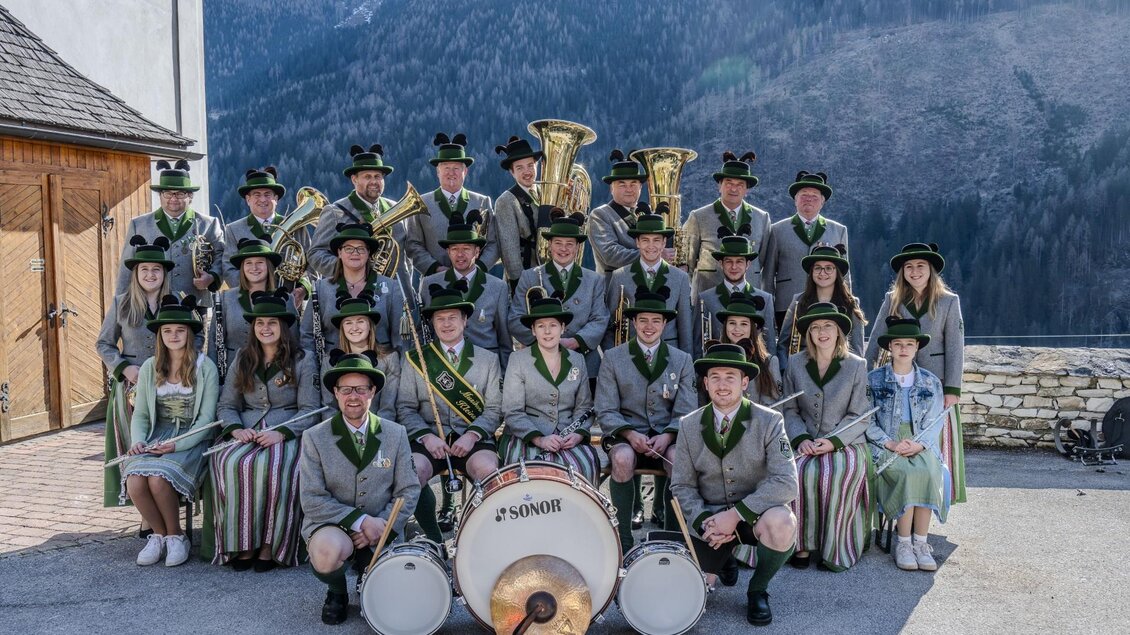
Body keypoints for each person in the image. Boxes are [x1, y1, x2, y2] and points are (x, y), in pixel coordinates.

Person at [670, 342, 798, 626]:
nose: (723, 384)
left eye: (731, 377)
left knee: (783, 524)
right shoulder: (689, 425)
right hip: (711, 522)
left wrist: (736, 515)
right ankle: (723, 558)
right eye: (715, 376)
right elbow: (681, 486)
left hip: (754, 515)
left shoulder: (770, 421)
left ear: (744, 382)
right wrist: (705, 521)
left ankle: (758, 590)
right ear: (705, 383)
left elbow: (787, 482)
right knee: (696, 595)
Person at [300, 352, 421, 625]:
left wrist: (382, 525)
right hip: (333, 526)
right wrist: (360, 521)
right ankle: (337, 591)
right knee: (325, 553)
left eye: (361, 389)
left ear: (373, 392)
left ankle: (369, 576)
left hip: (381, 525)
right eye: (346, 389)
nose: (353, 396)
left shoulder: (396, 433)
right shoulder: (314, 437)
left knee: (394, 606)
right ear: (335, 392)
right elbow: (311, 499)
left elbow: (409, 490)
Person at [209, 291, 320, 570]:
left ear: (283, 327)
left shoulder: (303, 359)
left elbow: (311, 409)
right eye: (260, 324)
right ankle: (243, 543)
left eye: (272, 323)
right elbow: (226, 405)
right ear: (253, 328)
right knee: (231, 462)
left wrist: (281, 433)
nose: (266, 328)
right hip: (247, 430)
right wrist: (235, 431)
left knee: (276, 467)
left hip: (287, 431)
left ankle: (271, 545)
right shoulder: (243, 358)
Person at [120, 296, 220, 567]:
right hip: (157, 434)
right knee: (135, 479)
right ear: (160, 335)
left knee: (158, 479)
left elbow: (207, 419)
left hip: (190, 438)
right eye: (167, 331)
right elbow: (141, 414)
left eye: (179, 330)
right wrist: (139, 441)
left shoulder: (205, 367)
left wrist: (177, 445)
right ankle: (159, 535)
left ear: (189, 333)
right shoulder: (151, 368)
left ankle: (177, 536)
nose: (173, 335)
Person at [398, 285, 502, 543]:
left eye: (452, 317)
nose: (446, 324)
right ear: (432, 323)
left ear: (465, 321)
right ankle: (434, 539)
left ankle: (480, 537)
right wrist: (426, 437)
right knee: (411, 472)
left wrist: (473, 435)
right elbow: (405, 408)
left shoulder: (487, 359)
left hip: (474, 440)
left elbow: (494, 408)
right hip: (431, 440)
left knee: (489, 470)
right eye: (440, 319)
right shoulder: (416, 359)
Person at [865, 242, 966, 504]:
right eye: (909, 267)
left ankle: (935, 499)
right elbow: (877, 336)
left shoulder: (948, 302)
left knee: (936, 442)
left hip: (935, 385)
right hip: (898, 381)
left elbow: (955, 346)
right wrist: (861, 376)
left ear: (931, 270)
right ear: (903, 273)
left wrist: (952, 389)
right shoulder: (893, 299)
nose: (915, 271)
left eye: (921, 266)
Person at [596, 288, 696, 552]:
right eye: (643, 320)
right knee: (622, 460)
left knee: (678, 460)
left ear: (665, 324)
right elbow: (605, 409)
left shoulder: (682, 360)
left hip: (667, 436)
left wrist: (668, 435)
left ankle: (671, 537)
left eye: (655, 320)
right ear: (633, 322)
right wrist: (629, 434)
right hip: (627, 436)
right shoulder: (614, 358)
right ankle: (624, 538)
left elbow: (687, 409)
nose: (649, 326)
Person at [781, 302, 872, 572]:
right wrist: (801, 439)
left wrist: (832, 441)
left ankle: (834, 548)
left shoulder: (856, 366)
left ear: (839, 332)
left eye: (828, 326)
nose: (822, 332)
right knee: (796, 472)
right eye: (816, 327)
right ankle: (800, 544)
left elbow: (860, 415)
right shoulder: (796, 364)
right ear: (808, 333)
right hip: (805, 440)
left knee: (834, 475)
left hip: (845, 442)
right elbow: (789, 408)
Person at [866, 317, 951, 572]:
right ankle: (903, 543)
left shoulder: (930, 382)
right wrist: (890, 443)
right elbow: (866, 420)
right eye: (898, 344)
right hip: (886, 441)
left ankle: (921, 543)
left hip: (920, 440)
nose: (903, 349)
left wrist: (920, 445)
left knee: (928, 471)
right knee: (905, 472)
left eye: (909, 344)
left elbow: (936, 420)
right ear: (889, 347)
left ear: (916, 348)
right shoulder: (874, 380)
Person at [98, 236, 173, 508]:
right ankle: (144, 513)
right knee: (136, 446)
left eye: (156, 269)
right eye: (144, 270)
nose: (150, 275)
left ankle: (164, 505)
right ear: (136, 274)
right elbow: (104, 343)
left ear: (164, 273)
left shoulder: (176, 302)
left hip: (171, 387)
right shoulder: (122, 303)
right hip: (132, 387)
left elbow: (195, 340)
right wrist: (124, 367)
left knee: (162, 446)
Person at [500, 292, 599, 485]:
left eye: (553, 325)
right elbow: (513, 411)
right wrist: (539, 439)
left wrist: (578, 434)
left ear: (562, 328)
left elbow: (584, 407)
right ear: (533, 330)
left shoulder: (577, 359)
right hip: (527, 437)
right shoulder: (518, 360)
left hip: (567, 436)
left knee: (584, 467)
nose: (547, 332)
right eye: (541, 326)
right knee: (531, 475)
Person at [508, 209, 609, 380]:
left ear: (578, 247)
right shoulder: (529, 276)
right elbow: (515, 318)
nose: (564, 249)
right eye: (558, 243)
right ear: (549, 244)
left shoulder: (594, 280)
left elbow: (600, 319)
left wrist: (575, 341)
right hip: (538, 361)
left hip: (584, 362)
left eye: (570, 243)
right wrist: (544, 343)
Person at [114, 160, 224, 307]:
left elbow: (222, 257)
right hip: (150, 303)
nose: (173, 198)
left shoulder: (209, 224)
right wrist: (120, 304)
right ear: (160, 195)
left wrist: (211, 277)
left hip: (194, 302)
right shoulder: (138, 225)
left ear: (190, 196)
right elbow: (126, 269)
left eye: (180, 193)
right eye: (167, 193)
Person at [419, 212, 512, 368]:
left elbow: (505, 340)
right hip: (443, 365)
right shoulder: (429, 283)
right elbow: (422, 331)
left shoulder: (498, 287)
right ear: (448, 252)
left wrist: (503, 375)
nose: (460, 254)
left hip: (486, 366)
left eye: (466, 249)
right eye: (454, 249)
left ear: (477, 252)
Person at [300, 223, 404, 355]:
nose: (355, 253)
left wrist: (398, 370)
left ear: (369, 253)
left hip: (382, 366)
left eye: (361, 248)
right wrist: (313, 369)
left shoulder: (391, 287)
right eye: (348, 248)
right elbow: (307, 335)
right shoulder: (321, 288)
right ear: (339, 252)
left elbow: (400, 338)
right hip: (333, 366)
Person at [762, 171, 848, 329]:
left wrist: (847, 304)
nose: (809, 199)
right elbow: (768, 274)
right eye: (804, 195)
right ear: (795, 199)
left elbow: (844, 273)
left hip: (827, 305)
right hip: (786, 305)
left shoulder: (838, 230)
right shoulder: (777, 230)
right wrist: (767, 309)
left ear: (823, 201)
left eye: (814, 196)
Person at [404, 133, 497, 275]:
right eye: (446, 167)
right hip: (434, 281)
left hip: (475, 280)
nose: (451, 173)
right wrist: (436, 269)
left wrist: (477, 270)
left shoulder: (482, 202)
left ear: (465, 171)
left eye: (456, 168)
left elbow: (493, 243)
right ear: (437, 171)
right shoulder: (420, 203)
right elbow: (413, 244)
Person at [308, 144, 404, 282]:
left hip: (395, 292)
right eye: (367, 176)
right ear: (354, 179)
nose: (374, 182)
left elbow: (404, 261)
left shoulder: (396, 209)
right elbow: (315, 254)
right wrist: (348, 268)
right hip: (349, 291)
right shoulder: (335, 212)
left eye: (378, 176)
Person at [209, 239, 299, 378]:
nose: (254, 267)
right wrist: (215, 379)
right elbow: (214, 343)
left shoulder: (285, 299)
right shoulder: (226, 298)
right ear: (242, 268)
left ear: (268, 266)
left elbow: (294, 342)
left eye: (260, 262)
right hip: (233, 375)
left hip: (275, 376)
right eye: (248, 263)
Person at [603, 211, 693, 353]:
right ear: (637, 242)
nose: (651, 246)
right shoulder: (619, 276)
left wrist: (687, 362)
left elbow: (685, 326)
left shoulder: (680, 278)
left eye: (656, 240)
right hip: (629, 353)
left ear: (664, 242)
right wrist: (611, 357)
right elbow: (609, 324)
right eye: (645, 240)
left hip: (669, 353)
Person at [221, 167, 311, 307]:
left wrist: (303, 288)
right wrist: (248, 290)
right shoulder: (234, 229)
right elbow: (228, 267)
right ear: (248, 199)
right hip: (250, 302)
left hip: (290, 300)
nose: (262, 199)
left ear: (276, 198)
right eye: (256, 195)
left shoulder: (297, 226)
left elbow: (312, 263)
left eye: (268, 194)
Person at [683, 151, 772, 293]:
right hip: (707, 295)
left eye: (740, 184)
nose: (734, 189)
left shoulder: (762, 218)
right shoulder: (698, 217)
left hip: (749, 296)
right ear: (719, 185)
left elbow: (762, 260)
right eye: (729, 183)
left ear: (747, 189)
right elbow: (687, 261)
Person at [776, 244, 866, 368]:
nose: (822, 273)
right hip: (802, 369)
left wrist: (848, 374)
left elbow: (857, 348)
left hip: (840, 370)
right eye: (817, 268)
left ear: (837, 272)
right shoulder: (798, 300)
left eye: (829, 268)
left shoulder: (851, 303)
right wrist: (786, 371)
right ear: (811, 272)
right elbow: (783, 344)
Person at [693, 233, 777, 357]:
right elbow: (697, 344)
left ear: (748, 264)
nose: (734, 267)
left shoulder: (766, 299)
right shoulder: (705, 299)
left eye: (739, 261)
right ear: (721, 264)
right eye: (728, 261)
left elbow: (770, 343)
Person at [323, 294, 401, 419]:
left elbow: (388, 408)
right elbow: (329, 408)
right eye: (348, 323)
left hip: (377, 429)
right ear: (342, 328)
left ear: (370, 325)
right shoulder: (329, 360)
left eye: (360, 321)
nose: (354, 328)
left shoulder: (389, 358)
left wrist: (374, 434)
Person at [492, 135, 546, 285]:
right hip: (526, 277)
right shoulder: (505, 201)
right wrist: (519, 284)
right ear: (512, 172)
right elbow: (510, 250)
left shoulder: (547, 192)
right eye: (519, 168)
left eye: (530, 165)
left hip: (550, 273)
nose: (527, 171)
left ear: (536, 165)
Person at [587, 149, 652, 274]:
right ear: (612, 188)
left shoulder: (650, 213)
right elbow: (610, 254)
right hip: (614, 289)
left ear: (640, 187)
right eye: (622, 184)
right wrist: (653, 256)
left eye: (633, 183)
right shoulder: (600, 215)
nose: (629, 189)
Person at [716, 293, 782, 408]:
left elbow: (775, 408)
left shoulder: (769, 362)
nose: (737, 328)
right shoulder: (713, 358)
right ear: (725, 326)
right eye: (732, 323)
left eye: (744, 324)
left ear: (753, 328)